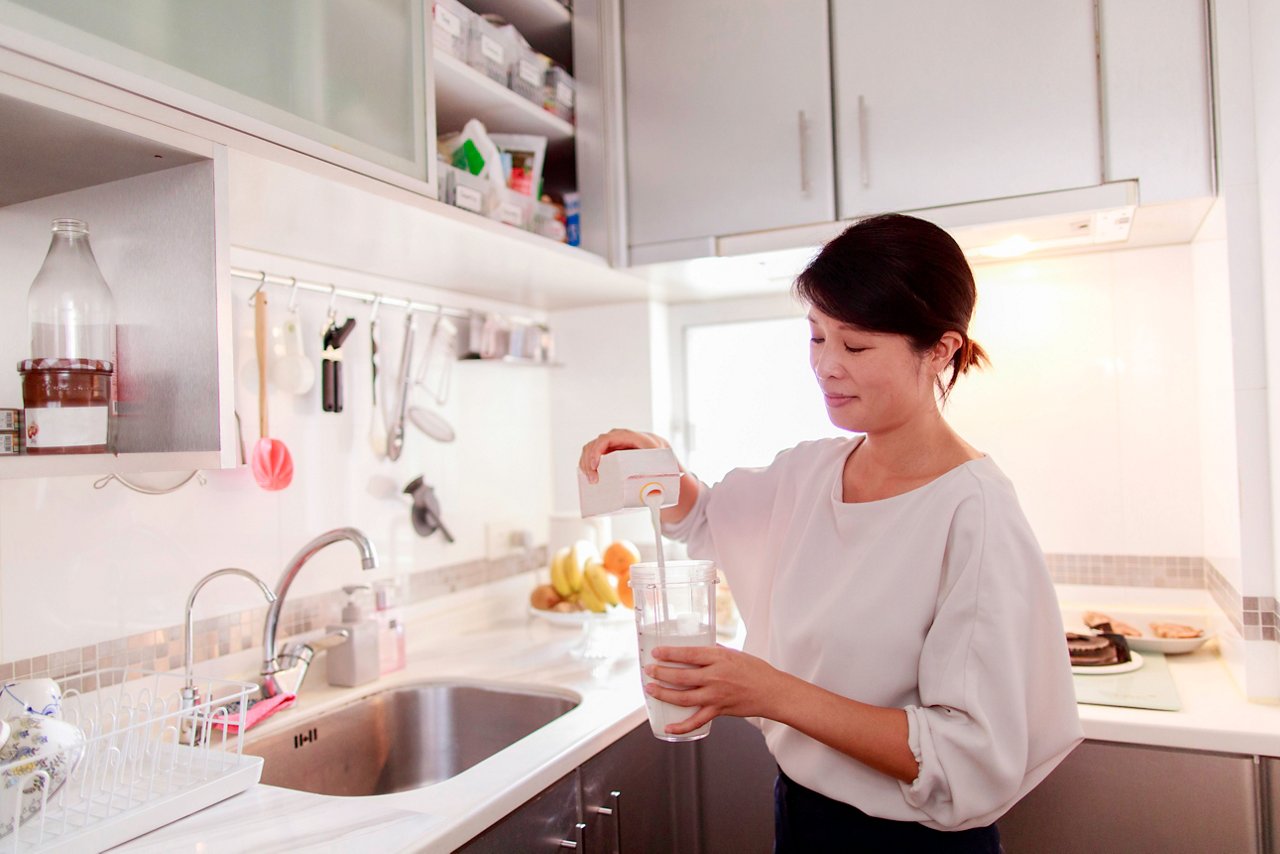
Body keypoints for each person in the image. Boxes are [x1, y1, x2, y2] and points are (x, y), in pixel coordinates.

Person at [579, 214, 1082, 852]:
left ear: (942, 350)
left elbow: (965, 754)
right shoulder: (811, 471)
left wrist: (768, 690)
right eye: (817, 337)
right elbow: (705, 520)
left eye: (856, 346)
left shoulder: (973, 511)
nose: (826, 366)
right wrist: (656, 463)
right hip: (802, 816)